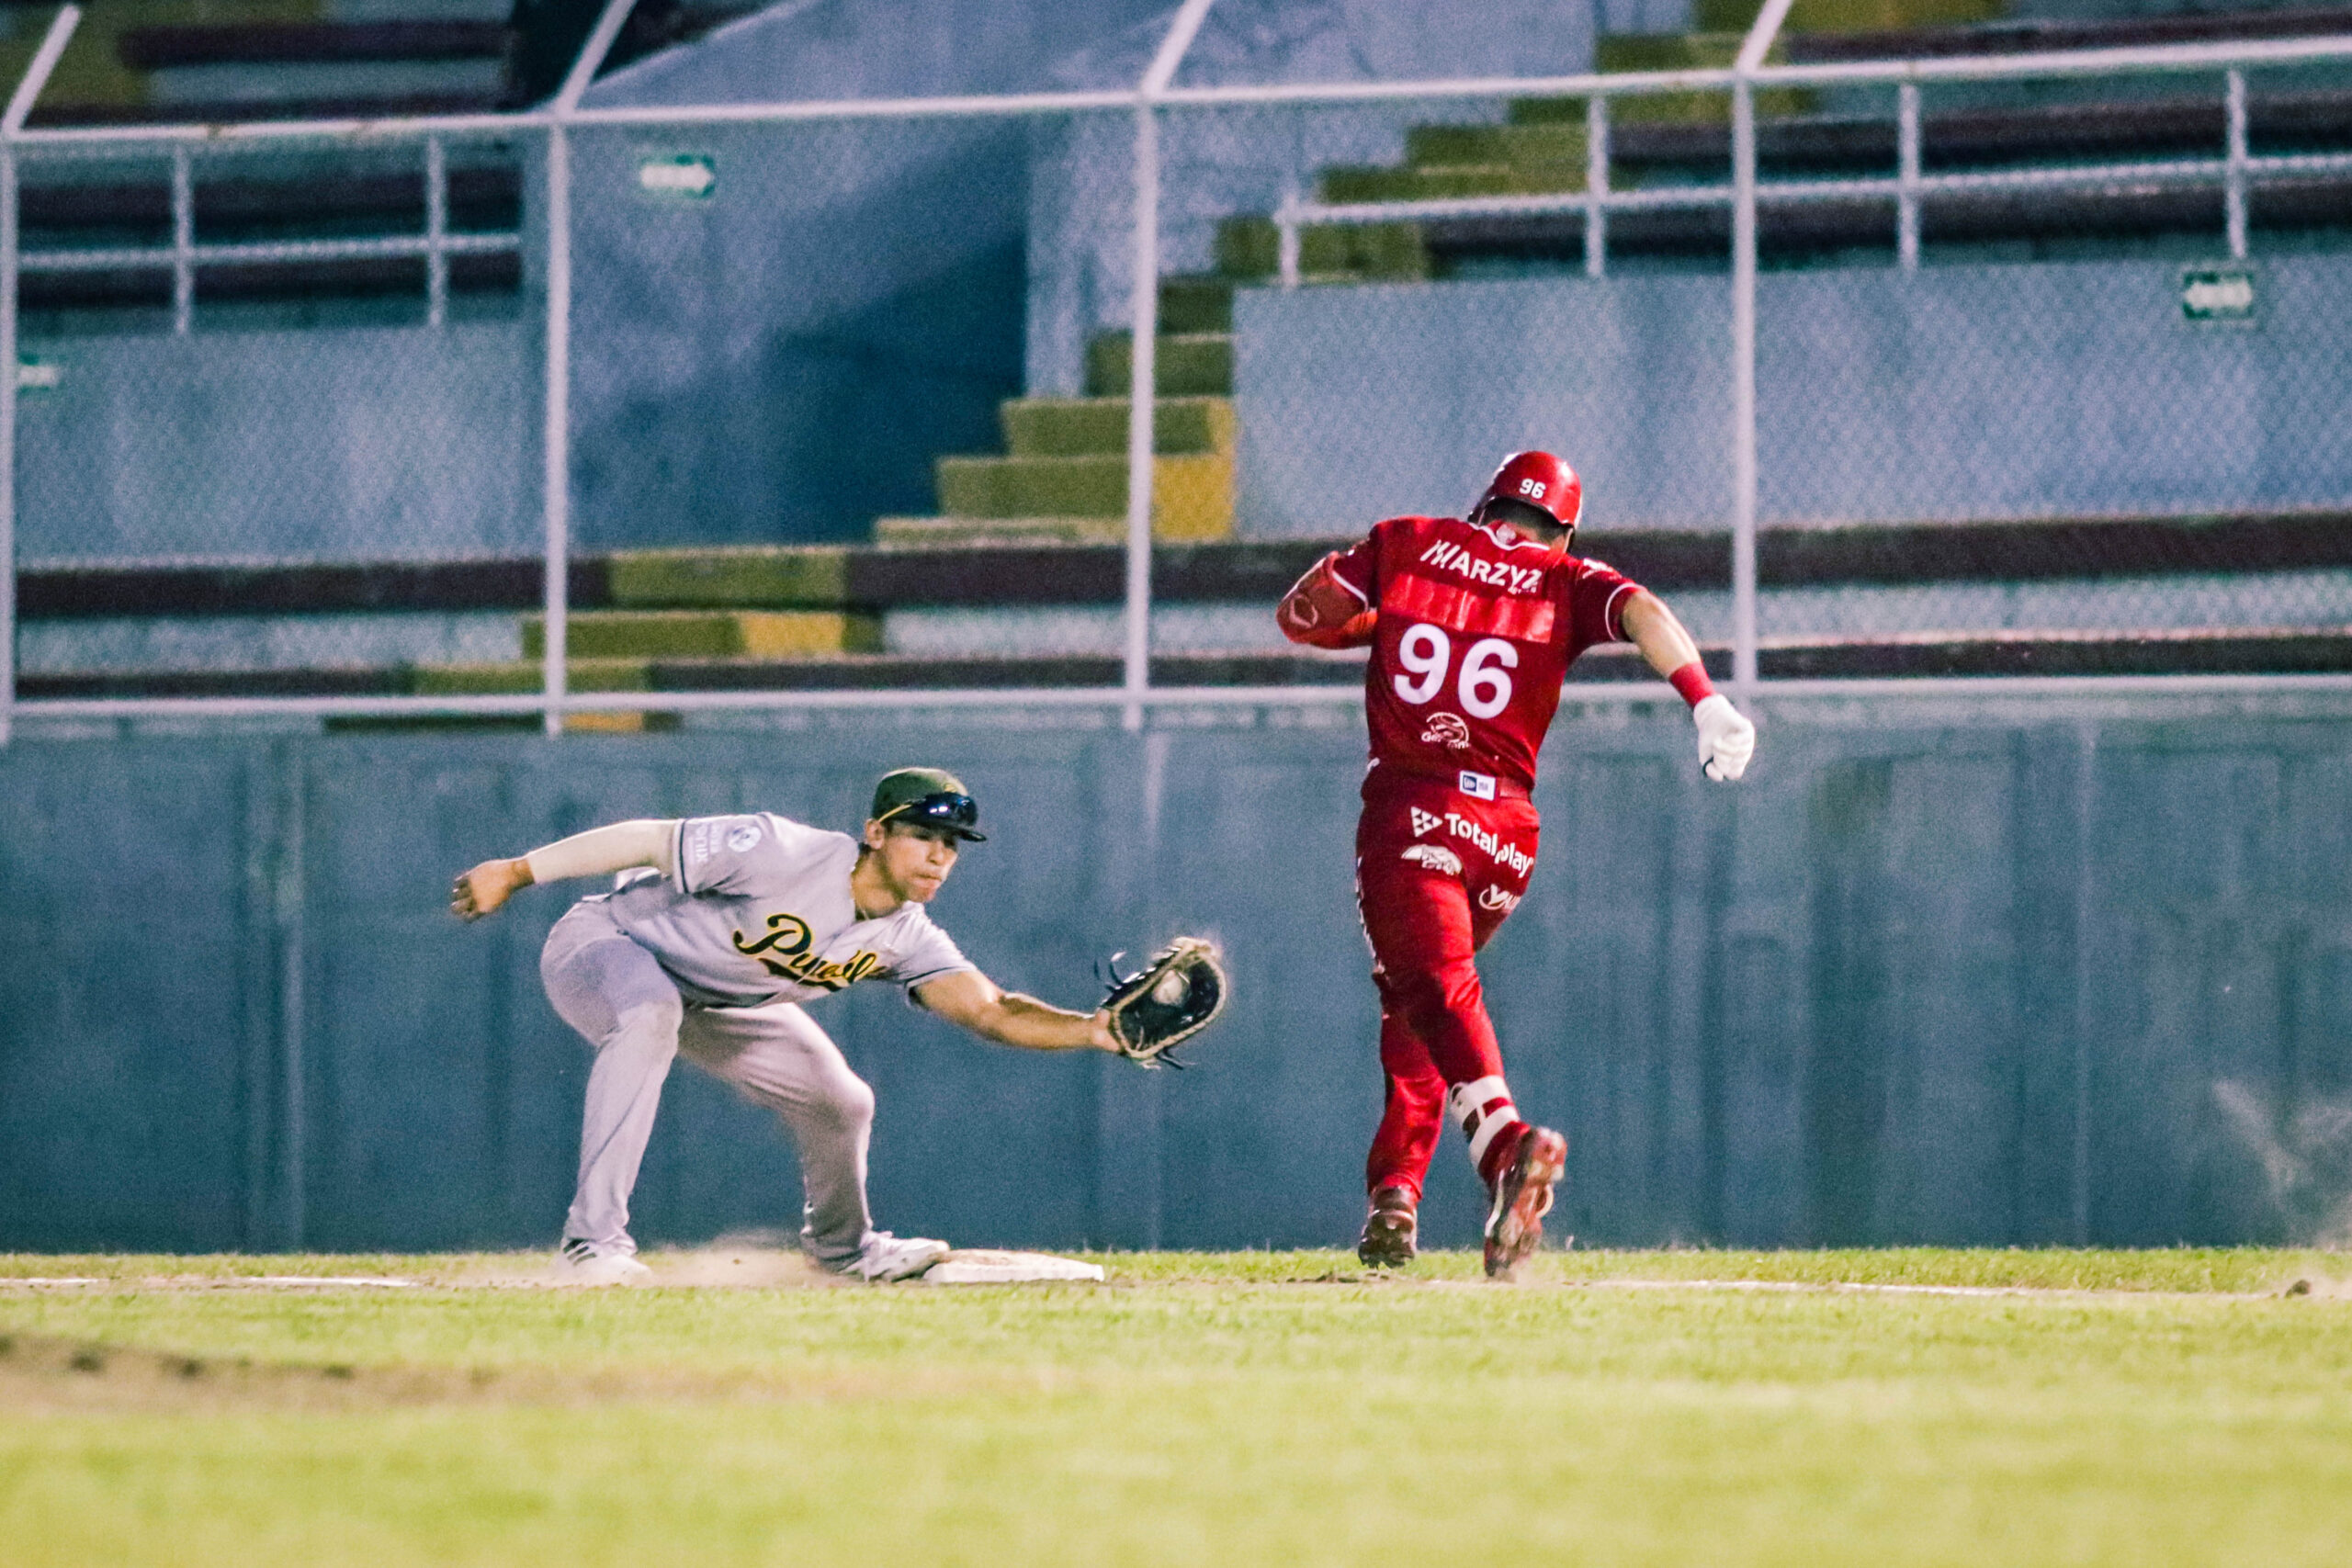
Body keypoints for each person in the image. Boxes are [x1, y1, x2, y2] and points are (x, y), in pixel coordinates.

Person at [1276, 451, 1756, 1277]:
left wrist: (1365, 618)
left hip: (1414, 804)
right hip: (1505, 832)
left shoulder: (1408, 541)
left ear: (1484, 504)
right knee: (1419, 997)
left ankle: (1503, 1149)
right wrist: (1704, 698)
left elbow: (1305, 617)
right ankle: (1394, 1192)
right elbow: (1643, 611)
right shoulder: (1569, 579)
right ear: (1564, 530)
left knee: (1435, 989)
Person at [449, 767, 1122, 1284]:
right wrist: (515, 871)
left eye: (951, 844)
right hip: (606, 945)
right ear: (878, 832)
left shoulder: (906, 935)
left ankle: (842, 1249)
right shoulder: (785, 850)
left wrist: (1096, 1029)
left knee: (843, 1101)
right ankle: (591, 1243)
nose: (939, 854)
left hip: (716, 1002)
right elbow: (648, 839)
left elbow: (991, 1009)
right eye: (923, 834)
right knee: (650, 1016)